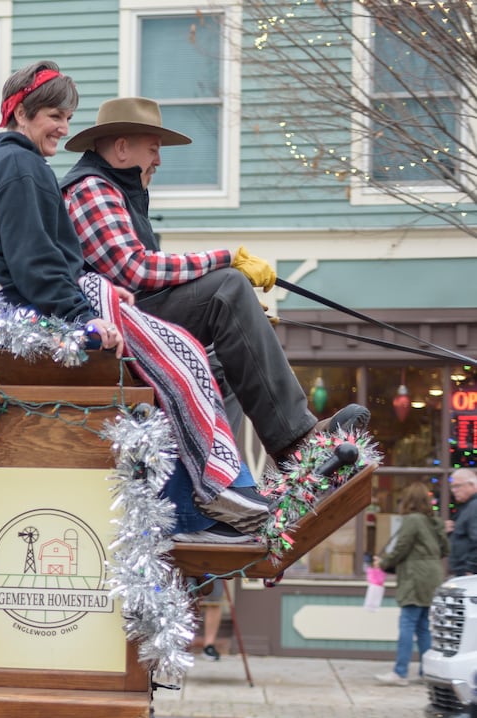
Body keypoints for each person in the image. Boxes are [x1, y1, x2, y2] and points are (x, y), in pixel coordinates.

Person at [0, 61, 269, 533]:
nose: (63, 128)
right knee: (179, 357)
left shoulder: (15, 165)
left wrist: (97, 284)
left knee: (189, 354)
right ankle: (218, 491)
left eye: (67, 117)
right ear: (20, 113)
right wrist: (87, 315)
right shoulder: (23, 168)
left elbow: (44, 257)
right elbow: (35, 264)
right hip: (36, 315)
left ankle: (218, 488)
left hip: (30, 307)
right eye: (53, 116)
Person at [59, 97, 369, 465]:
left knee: (224, 357)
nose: (158, 160)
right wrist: (228, 259)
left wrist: (245, 319)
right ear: (123, 148)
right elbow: (135, 270)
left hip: (127, 320)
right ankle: (298, 442)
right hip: (109, 329)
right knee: (229, 286)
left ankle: (225, 476)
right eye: (154, 149)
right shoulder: (92, 188)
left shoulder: (115, 188)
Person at [374, 483, 449, 685]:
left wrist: (383, 563)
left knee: (407, 623)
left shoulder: (412, 520)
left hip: (415, 576)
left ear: (408, 500)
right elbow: (445, 550)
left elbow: (401, 547)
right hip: (433, 576)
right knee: (424, 626)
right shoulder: (435, 521)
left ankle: (400, 672)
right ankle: (428, 671)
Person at [447, 468, 477, 576]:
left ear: (472, 485)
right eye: (452, 487)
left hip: (469, 574)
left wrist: (471, 568)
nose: (453, 490)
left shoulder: (474, 507)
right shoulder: (467, 507)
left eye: (457, 486)